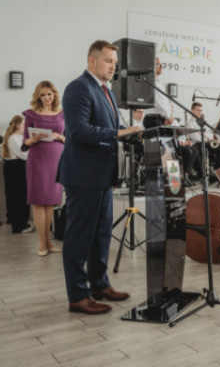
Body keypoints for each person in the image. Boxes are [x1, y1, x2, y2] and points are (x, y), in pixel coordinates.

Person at [58, 40, 141, 315]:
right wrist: (118, 133)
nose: (113, 67)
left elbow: (110, 129)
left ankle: (100, 284)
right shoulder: (78, 88)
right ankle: (78, 296)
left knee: (101, 234)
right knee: (79, 237)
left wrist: (131, 133)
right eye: (108, 61)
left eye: (115, 63)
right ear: (92, 60)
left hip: (104, 175)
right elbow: (78, 130)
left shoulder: (107, 92)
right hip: (83, 175)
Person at [22, 81, 65, 255]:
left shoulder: (63, 114)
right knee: (39, 201)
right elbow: (25, 141)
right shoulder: (31, 114)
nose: (47, 97)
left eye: (49, 94)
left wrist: (59, 137)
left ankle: (48, 242)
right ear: (38, 97)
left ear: (54, 95)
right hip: (38, 160)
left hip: (57, 161)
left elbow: (69, 138)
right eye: (43, 95)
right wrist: (33, 139)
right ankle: (42, 243)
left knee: (51, 202)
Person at [2, 115, 32, 233]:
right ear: (17, 125)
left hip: (19, 167)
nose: (26, 126)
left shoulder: (20, 137)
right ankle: (18, 226)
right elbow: (24, 155)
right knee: (17, 197)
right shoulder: (13, 138)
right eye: (24, 124)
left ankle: (22, 223)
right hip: (16, 168)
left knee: (22, 196)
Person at [187, 102, 220, 173]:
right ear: (192, 110)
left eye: (201, 110)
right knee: (219, 148)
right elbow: (195, 137)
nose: (200, 112)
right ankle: (210, 171)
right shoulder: (190, 122)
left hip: (206, 142)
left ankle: (218, 169)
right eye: (198, 110)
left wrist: (202, 134)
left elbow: (210, 135)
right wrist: (205, 136)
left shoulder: (202, 122)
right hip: (197, 143)